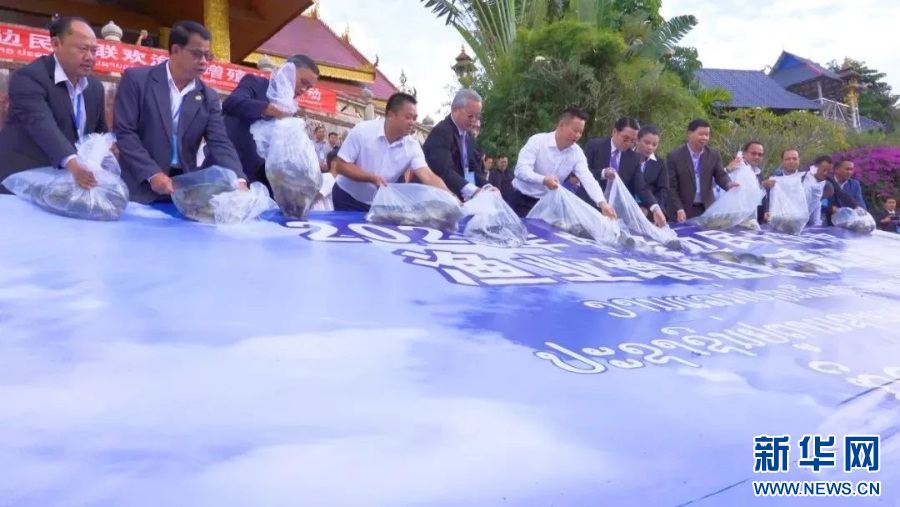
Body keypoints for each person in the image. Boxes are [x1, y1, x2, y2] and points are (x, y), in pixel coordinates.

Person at [113, 20, 245, 204]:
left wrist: (238, 180)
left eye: (208, 55)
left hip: (182, 191)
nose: (204, 62)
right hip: (138, 186)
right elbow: (125, 133)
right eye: (197, 54)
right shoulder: (137, 80)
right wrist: (152, 173)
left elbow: (220, 142)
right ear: (175, 50)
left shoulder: (208, 96)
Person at [0, 16, 107, 192]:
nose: (90, 57)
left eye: (94, 51)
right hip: (22, 182)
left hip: (68, 185)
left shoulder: (94, 87)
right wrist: (74, 165)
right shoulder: (29, 77)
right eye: (83, 49)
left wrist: (105, 153)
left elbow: (98, 132)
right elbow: (41, 125)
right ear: (56, 44)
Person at [332, 92, 451, 212]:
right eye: (408, 117)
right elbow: (341, 165)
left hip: (379, 203)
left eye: (414, 118)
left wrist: (450, 198)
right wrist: (371, 178)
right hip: (347, 197)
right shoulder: (363, 131)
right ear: (390, 115)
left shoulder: (412, 146)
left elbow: (428, 176)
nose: (412, 123)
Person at [222, 55, 320, 192]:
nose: (304, 90)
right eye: (303, 82)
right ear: (287, 71)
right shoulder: (255, 83)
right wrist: (269, 110)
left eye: (308, 87)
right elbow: (231, 103)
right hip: (230, 169)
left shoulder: (290, 110)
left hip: (260, 182)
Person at [510, 107, 617, 219]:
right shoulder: (537, 141)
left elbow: (588, 179)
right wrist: (543, 180)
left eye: (581, 132)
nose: (577, 135)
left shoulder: (577, 153)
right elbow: (521, 170)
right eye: (575, 130)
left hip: (548, 205)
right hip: (522, 199)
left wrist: (602, 203)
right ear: (561, 125)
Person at [581, 117, 667, 227]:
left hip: (615, 212)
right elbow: (581, 173)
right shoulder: (595, 146)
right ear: (614, 132)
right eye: (625, 139)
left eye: (632, 141)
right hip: (588, 206)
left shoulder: (633, 158)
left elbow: (641, 187)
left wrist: (655, 208)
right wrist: (603, 173)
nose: (628, 143)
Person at [422, 89, 488, 201]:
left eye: (477, 116)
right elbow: (444, 171)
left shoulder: (468, 136)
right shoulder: (442, 132)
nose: (474, 120)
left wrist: (487, 187)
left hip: (456, 197)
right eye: (470, 116)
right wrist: (473, 190)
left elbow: (470, 169)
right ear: (455, 110)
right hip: (432, 197)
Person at [666, 119, 737, 221]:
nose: (704, 137)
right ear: (689, 134)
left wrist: (729, 184)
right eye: (701, 134)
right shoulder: (675, 156)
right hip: (682, 211)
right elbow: (671, 187)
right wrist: (679, 209)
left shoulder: (713, 154)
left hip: (706, 209)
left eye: (707, 134)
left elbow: (720, 175)